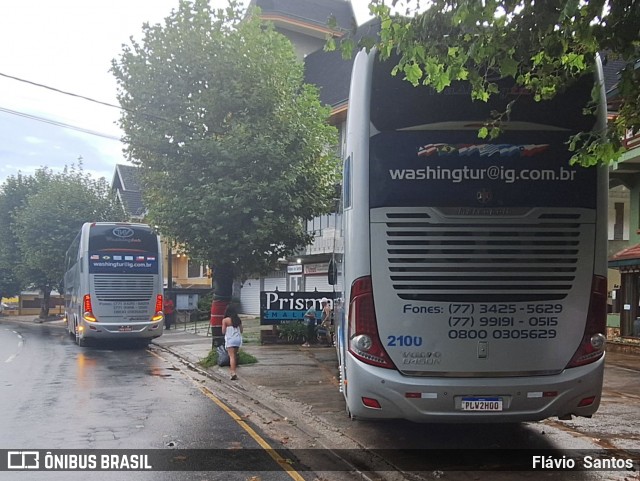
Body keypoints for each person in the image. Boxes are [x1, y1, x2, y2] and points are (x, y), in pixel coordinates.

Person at [221, 305, 243, 380]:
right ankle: (233, 371)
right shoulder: (238, 320)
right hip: (238, 339)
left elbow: (223, 331)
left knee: (231, 356)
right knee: (234, 355)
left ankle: (233, 372)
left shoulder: (225, 320)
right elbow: (241, 330)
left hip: (230, 339)